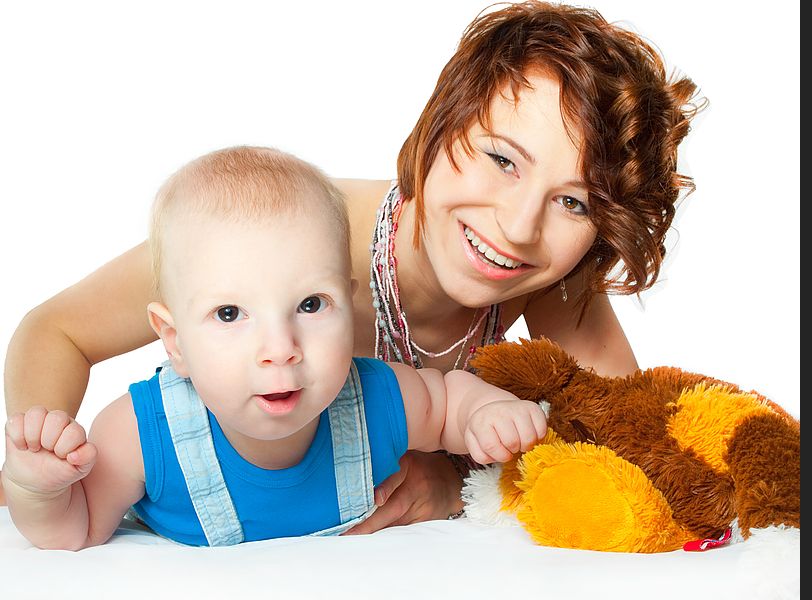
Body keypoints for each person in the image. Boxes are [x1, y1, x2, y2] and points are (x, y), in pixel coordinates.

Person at [1, 1, 700, 530]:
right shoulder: (286, 235)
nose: (517, 228)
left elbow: (636, 436)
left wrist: (458, 484)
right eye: (500, 158)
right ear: (440, 121)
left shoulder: (552, 277)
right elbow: (54, 329)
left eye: (573, 201)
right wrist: (43, 466)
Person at [1, 146, 548, 549]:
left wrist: (489, 413)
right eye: (230, 314)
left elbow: (450, 399)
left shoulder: (377, 399)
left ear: (349, 303)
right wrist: (40, 490)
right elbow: (74, 532)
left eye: (311, 305)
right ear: (175, 342)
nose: (280, 349)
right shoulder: (141, 436)